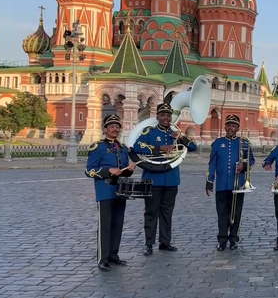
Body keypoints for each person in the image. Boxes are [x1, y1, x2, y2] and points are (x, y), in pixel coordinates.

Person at [132, 103, 198, 256]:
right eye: (163, 115)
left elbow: (193, 147)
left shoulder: (176, 133)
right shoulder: (149, 131)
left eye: (168, 115)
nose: (166, 118)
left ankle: (165, 242)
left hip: (171, 179)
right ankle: (149, 244)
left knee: (167, 212)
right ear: (157, 117)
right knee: (151, 212)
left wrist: (181, 137)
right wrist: (159, 148)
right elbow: (137, 146)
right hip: (153, 178)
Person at [85, 114, 137, 271]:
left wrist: (129, 170)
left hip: (120, 191)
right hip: (105, 191)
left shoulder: (122, 148)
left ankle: (114, 255)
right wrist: (109, 170)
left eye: (117, 126)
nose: (115, 129)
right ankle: (103, 258)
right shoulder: (98, 147)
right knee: (105, 226)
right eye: (112, 126)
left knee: (117, 224)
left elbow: (123, 171)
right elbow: (89, 170)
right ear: (105, 129)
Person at [206, 115, 255, 251]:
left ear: (238, 128)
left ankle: (233, 239)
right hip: (222, 184)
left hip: (238, 184)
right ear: (225, 127)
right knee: (221, 213)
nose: (230, 128)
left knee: (236, 213)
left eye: (233, 126)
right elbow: (212, 164)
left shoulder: (244, 143)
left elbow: (251, 161)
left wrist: (244, 167)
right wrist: (210, 181)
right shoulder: (217, 143)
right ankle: (222, 239)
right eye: (228, 125)